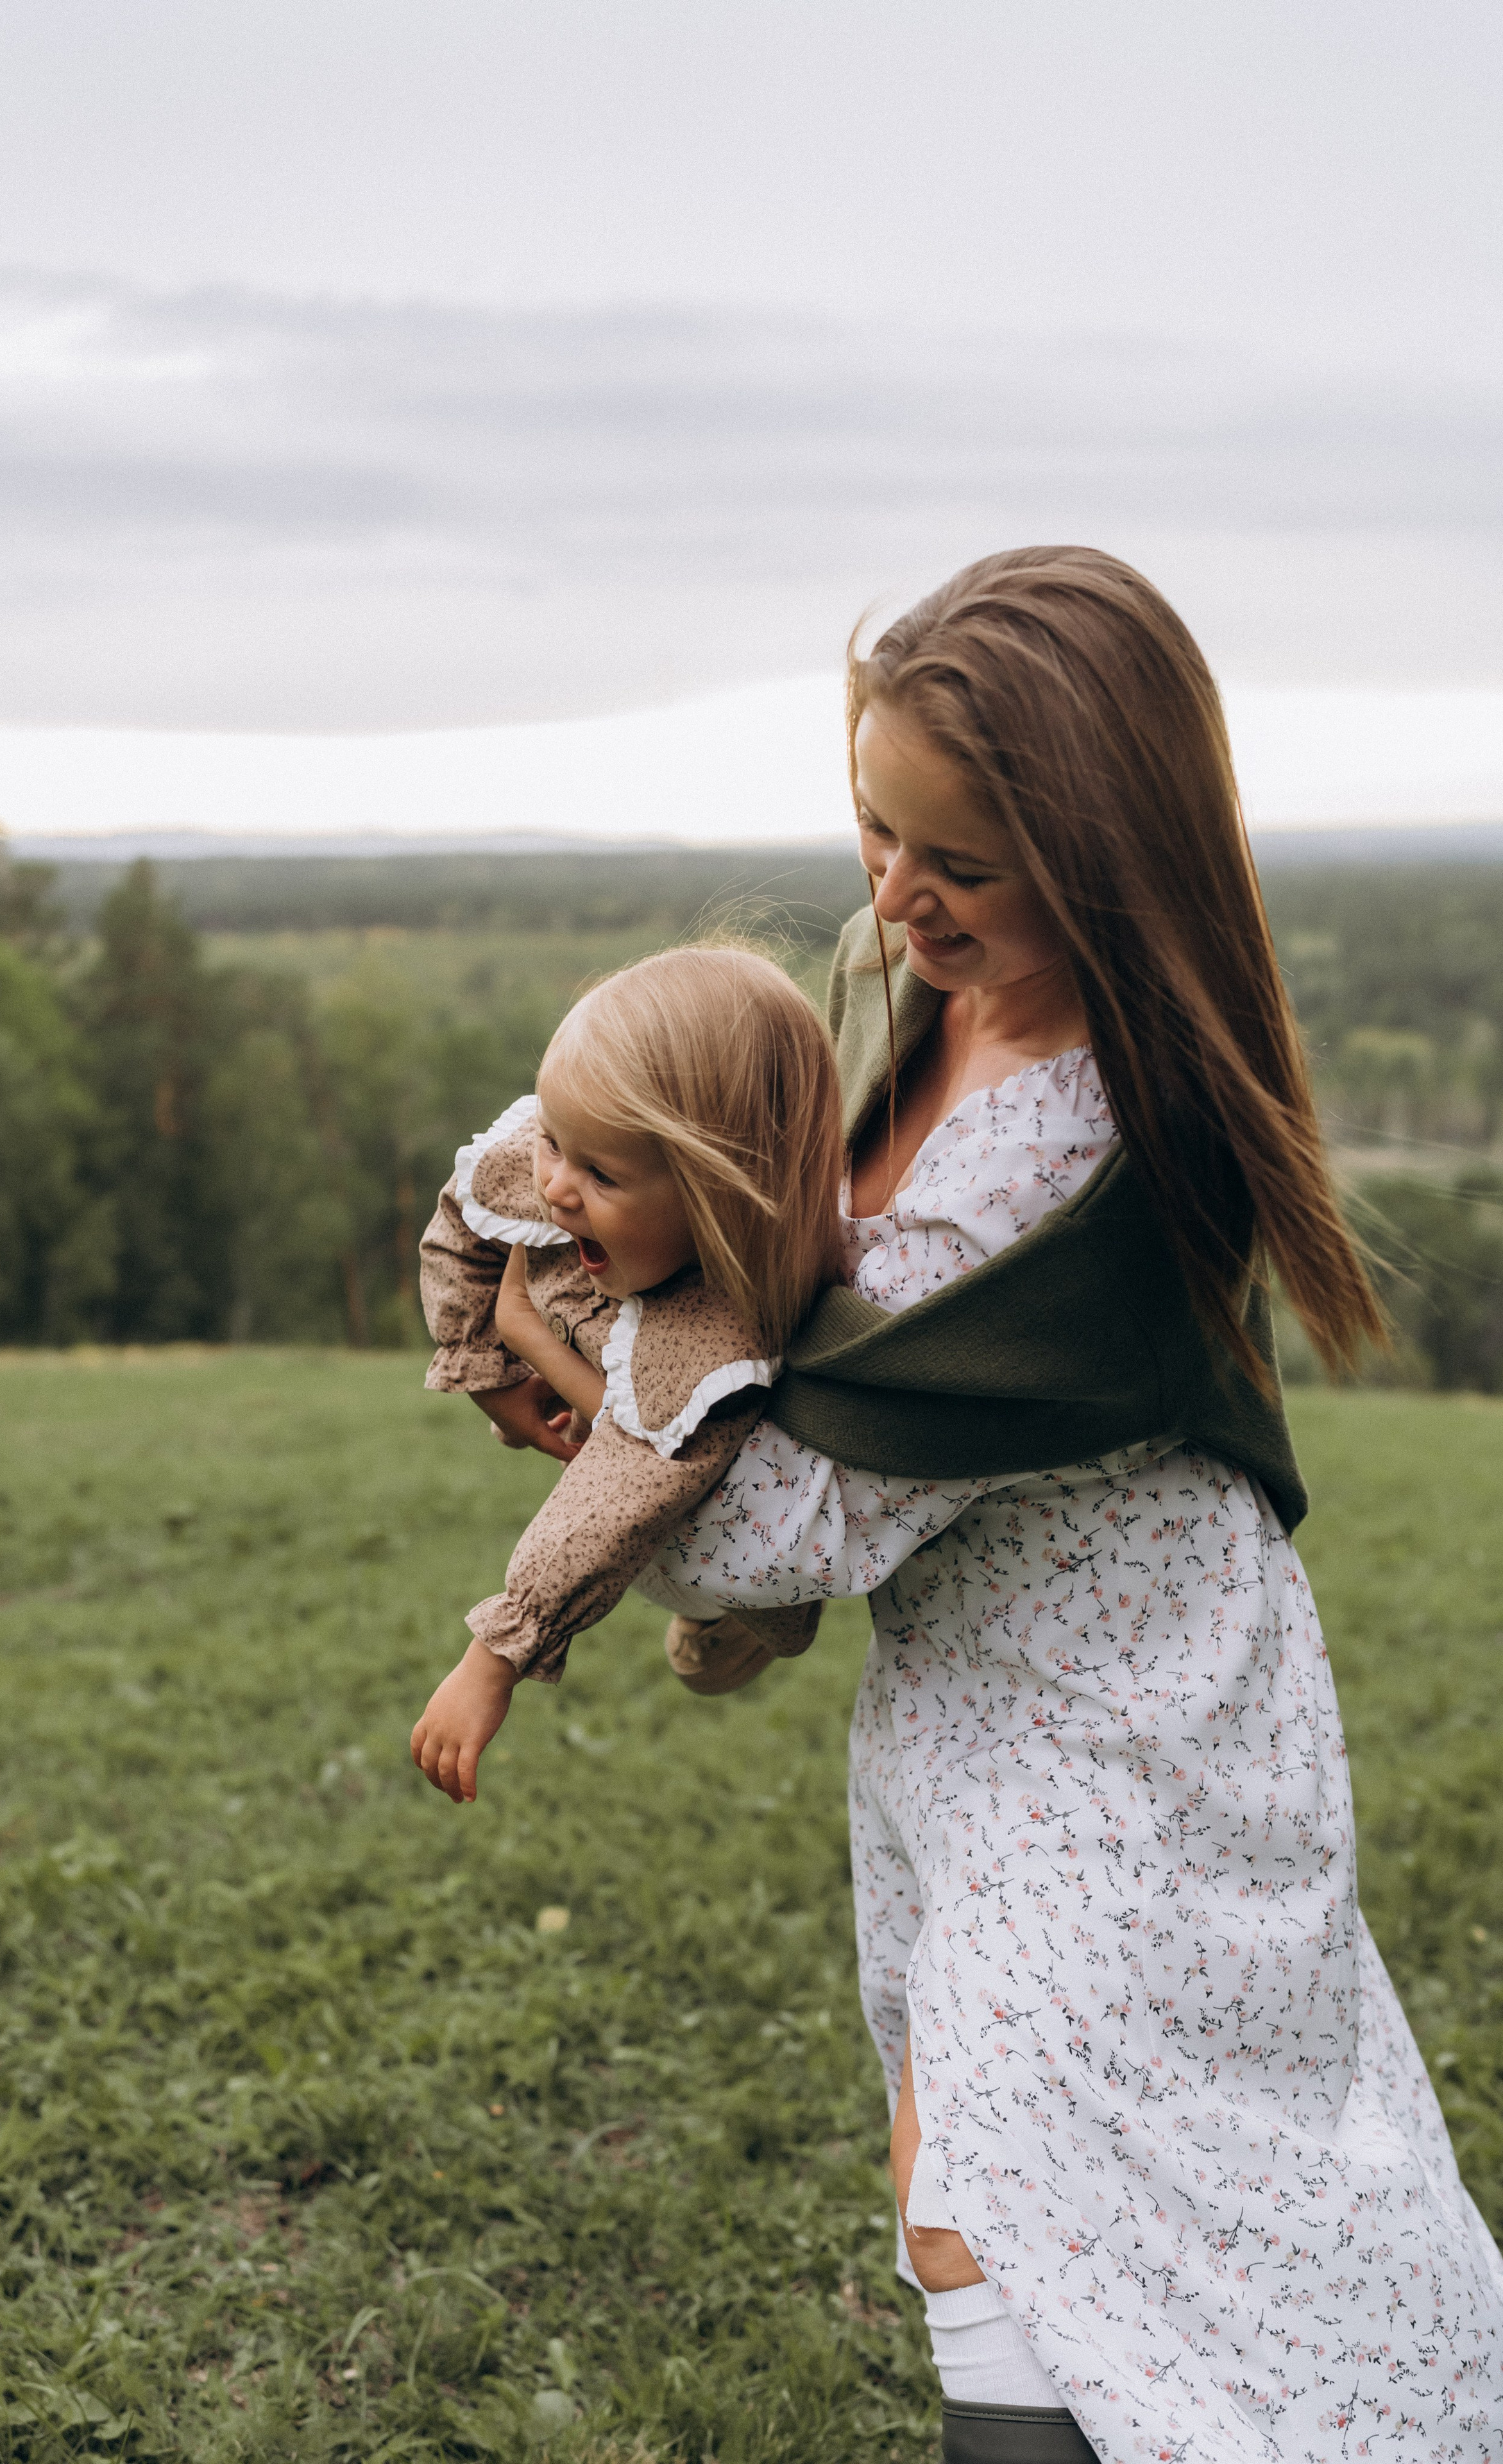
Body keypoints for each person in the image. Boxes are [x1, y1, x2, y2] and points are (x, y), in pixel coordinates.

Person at [491, 549, 1503, 2460]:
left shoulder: (1062, 1142)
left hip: (1114, 1728)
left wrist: (578, 1369)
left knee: (1029, 2202)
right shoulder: (972, 1008)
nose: (893, 894)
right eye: (878, 828)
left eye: (958, 864)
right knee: (1090, 2184)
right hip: (1017, 1692)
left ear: (1107, 862)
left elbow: (782, 1521)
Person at [410, 944, 840, 1803]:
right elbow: (465, 1216)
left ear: (719, 1192)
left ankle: (730, 1624)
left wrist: (497, 1653)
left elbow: (625, 1487)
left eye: (599, 1172)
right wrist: (486, 1363)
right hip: (607, 1353)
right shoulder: (571, 1166)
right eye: (556, 1144)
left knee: (734, 1580)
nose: (559, 1186)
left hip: (712, 1503)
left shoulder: (718, 1335)